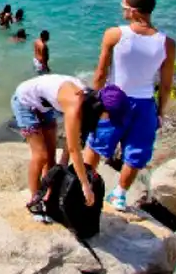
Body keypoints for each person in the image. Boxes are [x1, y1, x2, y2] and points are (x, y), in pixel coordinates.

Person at [84, 0, 176, 211]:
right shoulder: (167, 43)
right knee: (136, 152)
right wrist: (161, 112)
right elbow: (165, 84)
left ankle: (83, 184)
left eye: (124, 7)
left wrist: (93, 101)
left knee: (96, 144)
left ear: (134, 12)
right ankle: (120, 195)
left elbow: (100, 73)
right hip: (145, 104)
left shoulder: (115, 34)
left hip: (115, 100)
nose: (122, 11)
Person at [11, 76, 129, 222]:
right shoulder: (76, 104)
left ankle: (48, 197)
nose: (108, 121)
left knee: (51, 157)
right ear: (102, 109)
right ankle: (35, 201)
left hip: (45, 104)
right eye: (110, 117)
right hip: (25, 102)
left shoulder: (90, 102)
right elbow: (74, 149)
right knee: (41, 155)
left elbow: (73, 141)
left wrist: (62, 166)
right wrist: (85, 185)